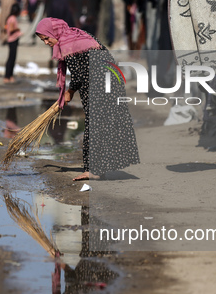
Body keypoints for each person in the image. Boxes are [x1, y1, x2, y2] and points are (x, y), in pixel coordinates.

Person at [35, 18, 140, 181]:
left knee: (95, 123)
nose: (47, 43)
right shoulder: (78, 34)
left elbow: (78, 74)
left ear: (53, 32)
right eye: (44, 41)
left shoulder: (66, 43)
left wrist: (69, 92)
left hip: (98, 83)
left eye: (47, 38)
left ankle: (94, 170)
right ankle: (99, 168)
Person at [4, 3, 22, 83]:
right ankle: (7, 76)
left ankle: (10, 76)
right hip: (12, 40)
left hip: (13, 40)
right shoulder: (12, 18)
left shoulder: (11, 18)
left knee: (12, 58)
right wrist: (17, 29)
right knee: (11, 59)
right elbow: (11, 29)